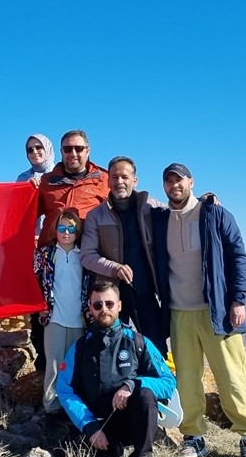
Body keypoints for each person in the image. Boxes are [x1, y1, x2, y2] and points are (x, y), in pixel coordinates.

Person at [152, 163, 246, 457]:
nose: (174, 186)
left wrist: (238, 300)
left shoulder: (215, 214)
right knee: (186, 379)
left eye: (179, 180)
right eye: (168, 181)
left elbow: (239, 255)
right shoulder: (159, 219)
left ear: (191, 182)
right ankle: (193, 437)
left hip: (217, 311)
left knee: (232, 376)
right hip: (178, 311)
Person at [57, 279, 176, 457]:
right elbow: (65, 391)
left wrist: (133, 384)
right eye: (98, 305)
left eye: (109, 304)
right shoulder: (80, 348)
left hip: (132, 421)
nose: (104, 310)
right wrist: (90, 427)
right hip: (97, 424)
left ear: (119, 306)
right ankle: (112, 452)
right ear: (90, 309)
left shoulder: (138, 342)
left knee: (144, 394)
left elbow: (168, 383)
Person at [32, 129, 110, 372]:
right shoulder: (46, 182)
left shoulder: (104, 180)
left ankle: (88, 380)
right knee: (45, 319)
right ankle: (46, 381)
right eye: (67, 149)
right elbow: (23, 214)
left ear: (88, 151)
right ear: (61, 151)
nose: (73, 153)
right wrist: (26, 191)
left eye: (78, 148)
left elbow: (129, 200)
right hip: (52, 264)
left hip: (90, 262)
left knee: (89, 319)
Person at [80, 156, 167, 350]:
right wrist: (114, 268)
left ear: (134, 180)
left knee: (155, 347)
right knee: (111, 348)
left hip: (146, 291)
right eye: (114, 177)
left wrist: (205, 201)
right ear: (108, 181)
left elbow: (181, 210)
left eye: (124, 177)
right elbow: (87, 255)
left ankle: (158, 380)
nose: (119, 181)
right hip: (111, 295)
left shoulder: (151, 207)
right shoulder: (96, 216)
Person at [33, 209, 89, 415]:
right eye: (62, 228)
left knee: (74, 365)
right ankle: (51, 407)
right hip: (54, 319)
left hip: (79, 320)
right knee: (54, 366)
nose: (66, 233)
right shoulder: (46, 254)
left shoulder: (84, 255)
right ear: (55, 230)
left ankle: (73, 408)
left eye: (71, 229)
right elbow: (29, 278)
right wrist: (40, 306)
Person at [17, 133, 55, 239]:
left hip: (55, 237)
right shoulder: (22, 178)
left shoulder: (59, 173)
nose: (34, 152)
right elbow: (15, 209)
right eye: (30, 150)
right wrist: (25, 190)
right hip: (29, 238)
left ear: (47, 148)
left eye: (39, 147)